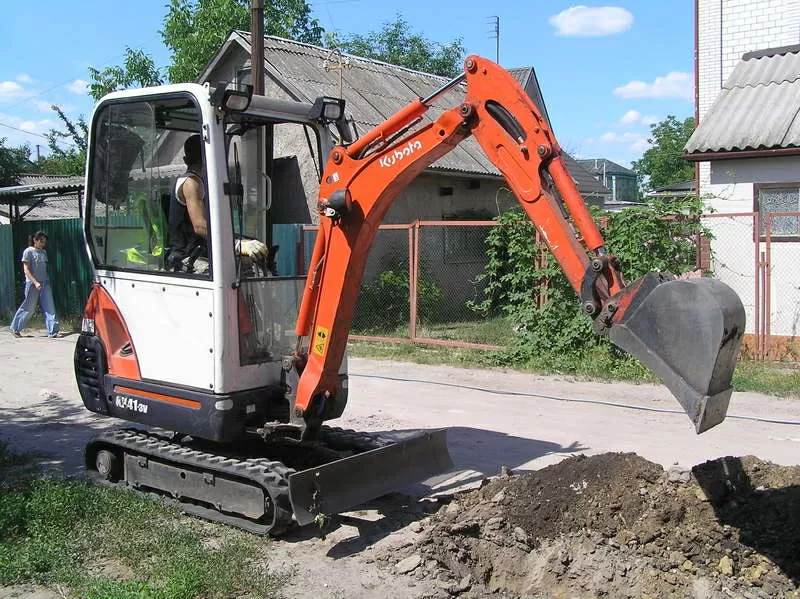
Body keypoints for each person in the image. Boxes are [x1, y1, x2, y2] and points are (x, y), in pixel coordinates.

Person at [166, 133, 269, 274]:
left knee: (249, 265)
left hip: (200, 253)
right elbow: (200, 226)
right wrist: (236, 243)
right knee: (236, 273)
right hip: (187, 258)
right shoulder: (191, 182)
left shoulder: (202, 183)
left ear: (185, 160)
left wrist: (241, 239)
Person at [10, 231, 63, 338]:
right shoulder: (28, 252)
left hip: (45, 283)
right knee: (29, 307)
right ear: (35, 240)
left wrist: (45, 281)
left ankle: (53, 331)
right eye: (41, 241)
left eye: (44, 241)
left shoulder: (43, 252)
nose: (43, 243)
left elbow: (44, 269)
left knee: (49, 307)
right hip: (32, 283)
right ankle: (15, 329)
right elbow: (26, 270)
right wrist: (35, 282)